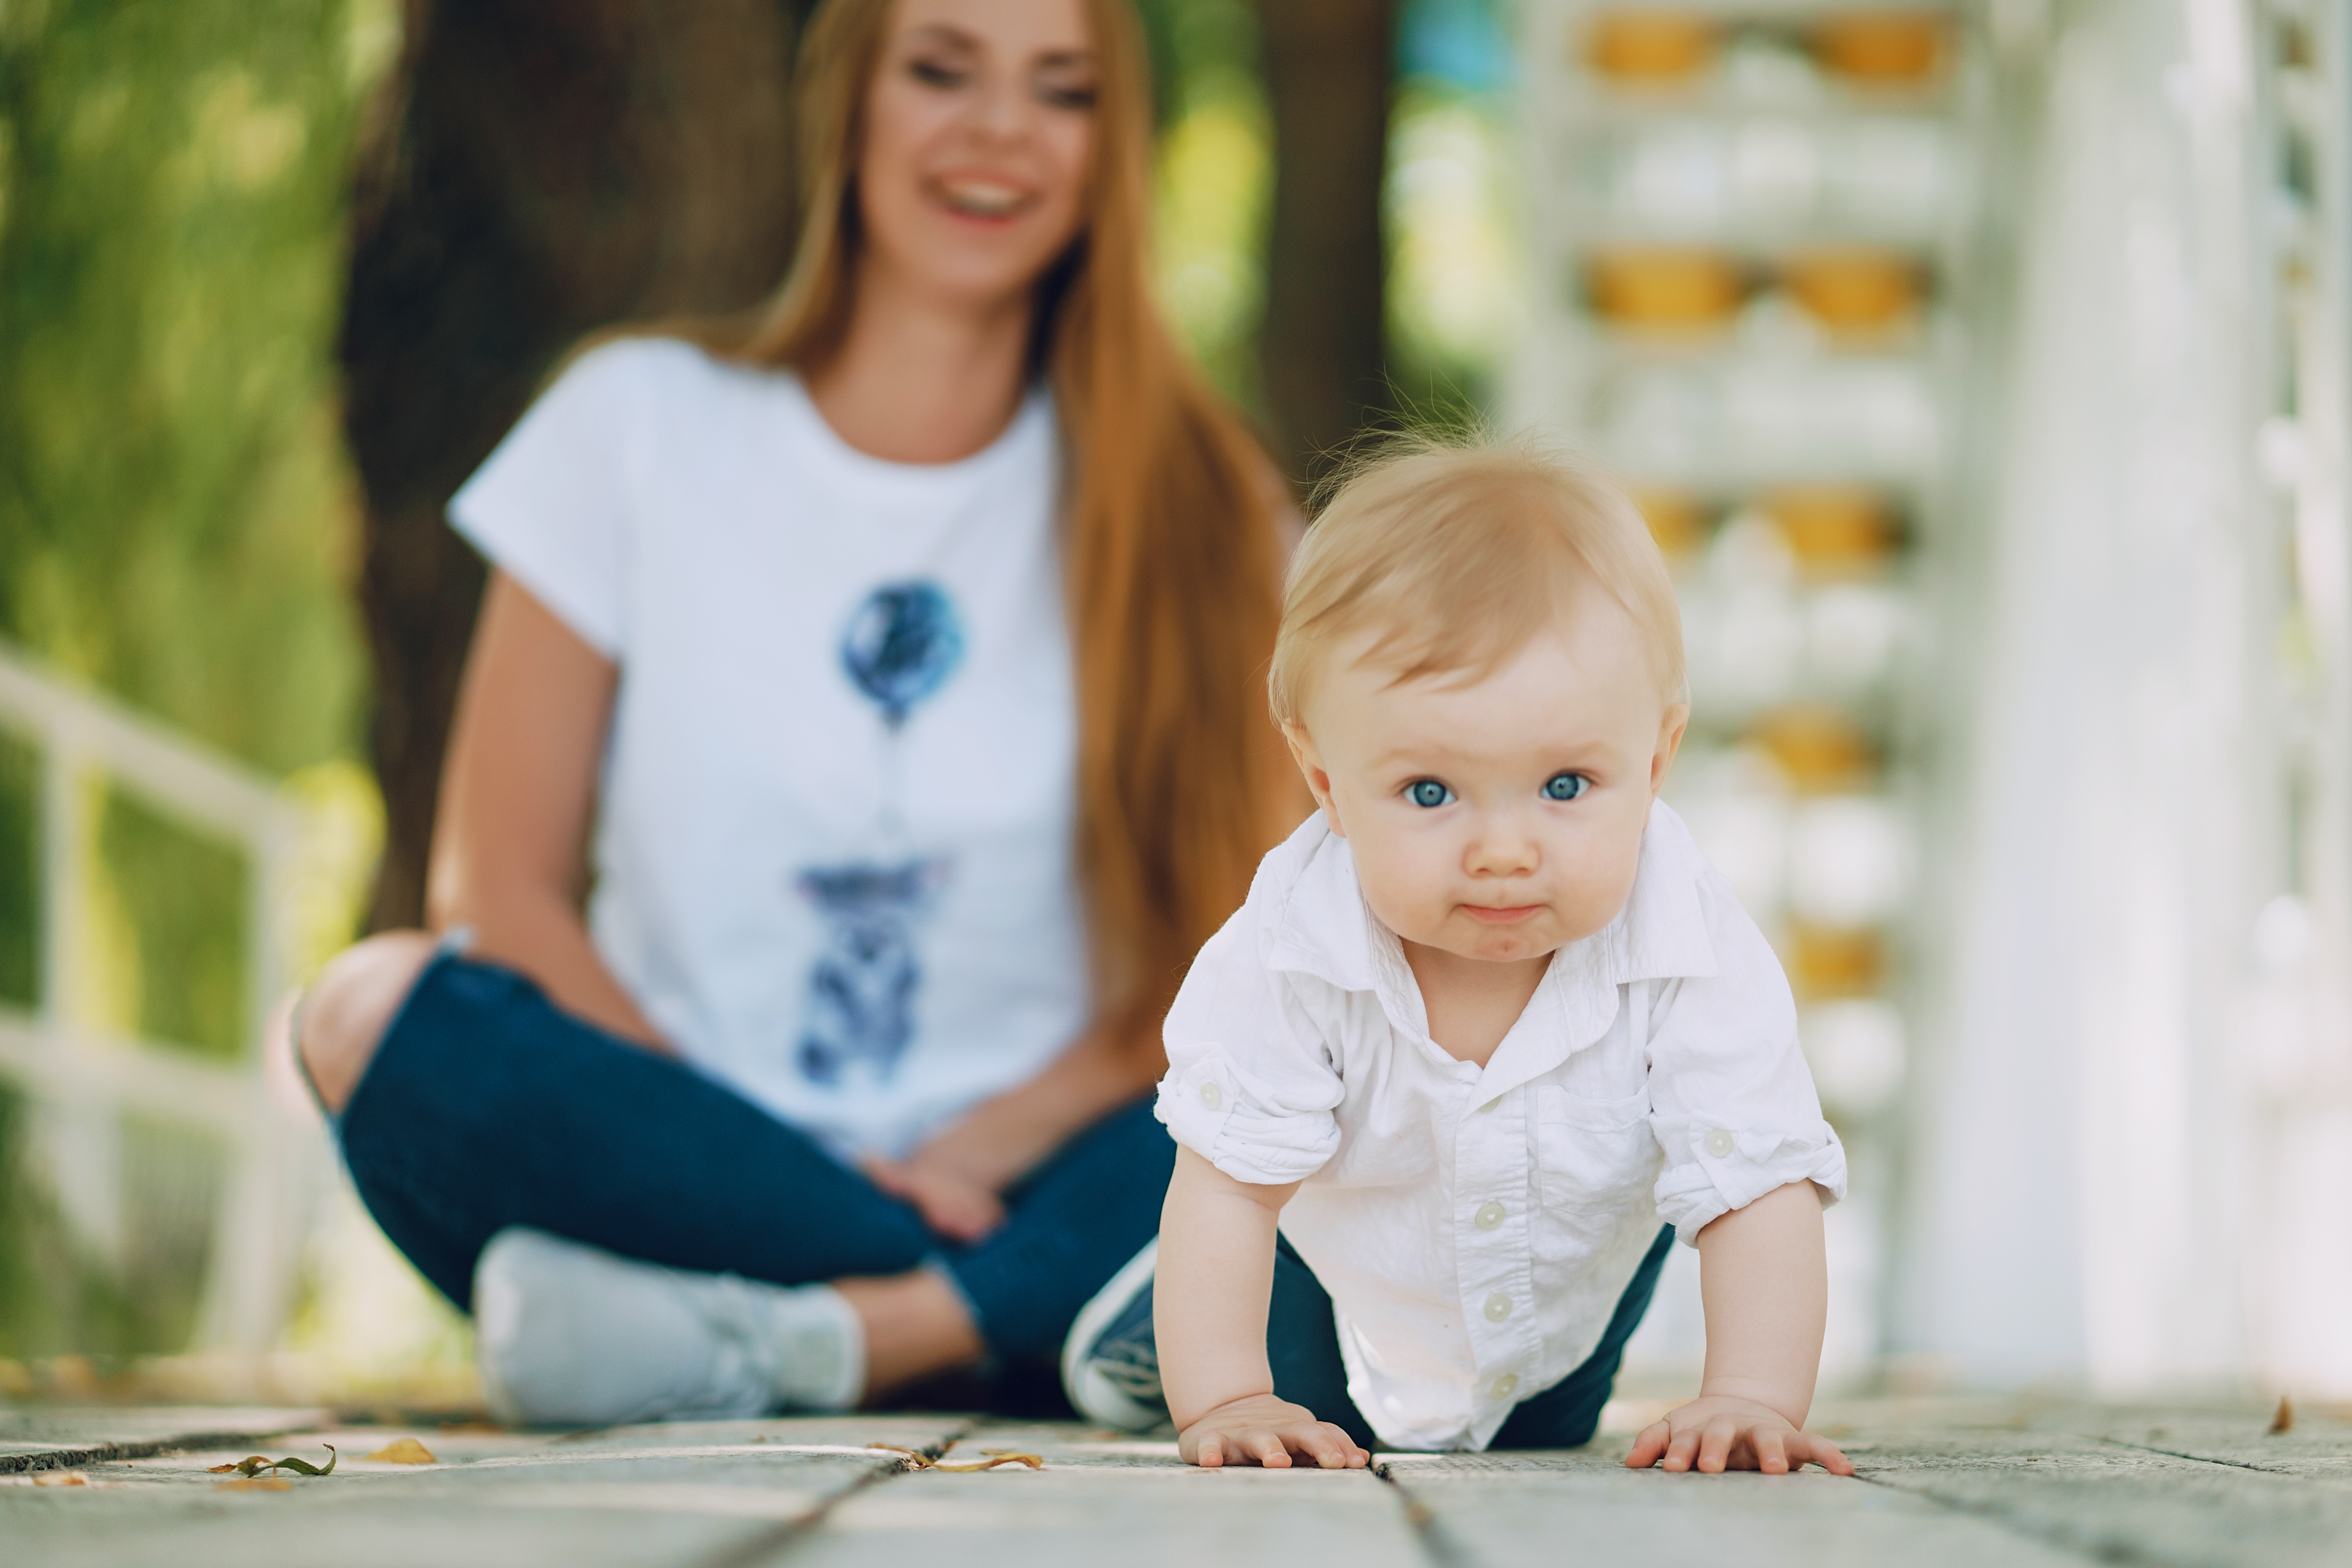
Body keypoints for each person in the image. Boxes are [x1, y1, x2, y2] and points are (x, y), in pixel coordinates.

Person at [292, 0, 1295, 1425]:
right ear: (852, 103)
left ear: (1109, 147)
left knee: (1347, 1093)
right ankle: (1001, 1319)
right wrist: (759, 1152)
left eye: (1059, 90)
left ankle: (814, 1333)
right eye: (942, 69)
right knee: (364, 1013)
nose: (998, 128)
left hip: (1049, 1163)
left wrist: (984, 1142)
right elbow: (499, 890)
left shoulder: (1210, 503)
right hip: (691, 1151)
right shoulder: (635, 423)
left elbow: (1249, 948)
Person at [1058, 443, 1857, 1472]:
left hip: (1558, 1327)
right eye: (1432, 793)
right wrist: (1225, 1399)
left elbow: (1757, 1182)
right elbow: (1230, 1192)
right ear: (1325, 781)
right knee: (1294, 1407)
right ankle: (1149, 1325)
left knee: (1533, 1441)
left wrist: (1750, 1398)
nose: (1505, 850)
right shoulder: (1292, 948)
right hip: (1331, 1287)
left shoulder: (1691, 947)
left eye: (1566, 785)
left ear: (1656, 761)